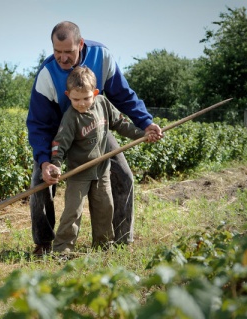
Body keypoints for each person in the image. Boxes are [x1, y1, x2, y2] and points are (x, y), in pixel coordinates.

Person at [27, 21, 163, 256]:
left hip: (95, 127)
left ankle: (120, 239)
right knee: (41, 181)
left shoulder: (102, 56)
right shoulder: (47, 74)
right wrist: (46, 160)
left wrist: (146, 123)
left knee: (124, 175)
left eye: (68, 52)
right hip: (63, 130)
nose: (62, 58)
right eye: (57, 52)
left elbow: (124, 96)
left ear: (80, 44)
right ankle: (44, 242)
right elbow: (39, 124)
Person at [48, 66, 149, 254]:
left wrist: (142, 134)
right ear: (68, 95)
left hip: (102, 170)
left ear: (95, 93)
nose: (81, 103)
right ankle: (63, 249)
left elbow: (121, 123)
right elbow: (59, 144)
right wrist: (56, 164)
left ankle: (103, 245)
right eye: (75, 99)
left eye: (86, 98)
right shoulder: (71, 117)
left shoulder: (102, 103)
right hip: (79, 173)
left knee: (105, 208)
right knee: (73, 211)